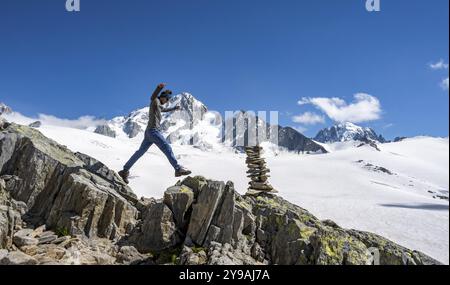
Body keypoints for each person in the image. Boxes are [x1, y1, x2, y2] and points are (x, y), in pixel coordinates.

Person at [118, 83, 192, 184]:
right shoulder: (155, 101)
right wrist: (159, 88)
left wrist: (174, 108)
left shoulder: (159, 106)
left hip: (148, 133)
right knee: (166, 147)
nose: (167, 101)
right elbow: (152, 97)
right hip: (153, 131)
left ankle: (124, 170)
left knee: (140, 152)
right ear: (162, 97)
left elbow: (164, 109)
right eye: (167, 99)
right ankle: (178, 168)